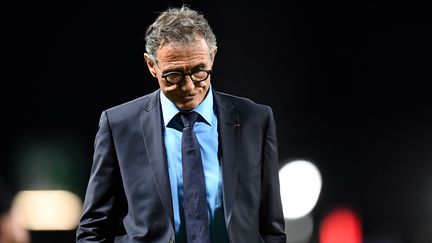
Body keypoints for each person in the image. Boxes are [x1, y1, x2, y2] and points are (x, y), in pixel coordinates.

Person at [76, 5, 286, 243]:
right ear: (151, 65)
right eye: (173, 75)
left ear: (213, 56)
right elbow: (93, 229)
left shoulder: (255, 120)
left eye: (199, 71)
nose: (188, 86)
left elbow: (272, 228)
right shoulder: (118, 126)